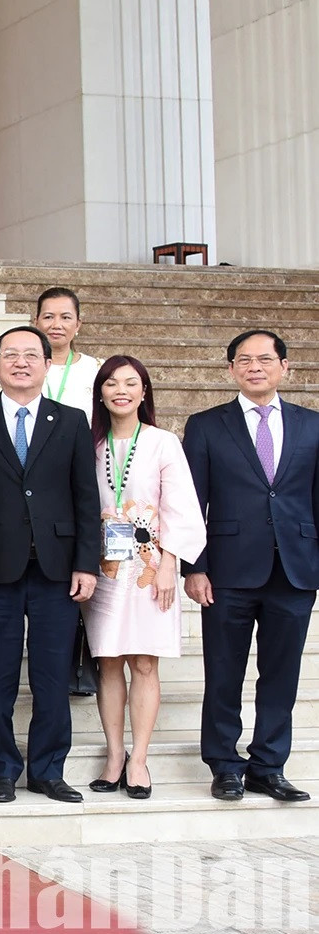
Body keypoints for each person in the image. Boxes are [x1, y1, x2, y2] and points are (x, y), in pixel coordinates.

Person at [0, 325, 101, 805]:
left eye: (31, 355)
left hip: (57, 570)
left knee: (52, 676)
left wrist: (86, 563)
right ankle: (1, 770)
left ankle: (47, 770)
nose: (21, 363)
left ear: (47, 363)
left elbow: (86, 498)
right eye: (11, 355)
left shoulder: (72, 421)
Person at [183, 329, 319, 804]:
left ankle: (268, 766)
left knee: (282, 675)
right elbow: (190, 503)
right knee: (223, 672)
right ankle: (224, 765)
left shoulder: (312, 425)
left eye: (265, 359)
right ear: (231, 369)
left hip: (294, 571)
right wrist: (194, 567)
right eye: (244, 360)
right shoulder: (206, 426)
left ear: (285, 367)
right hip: (226, 572)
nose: (255, 367)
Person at [84, 355, 204, 800]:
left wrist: (170, 564)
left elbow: (180, 507)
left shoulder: (162, 442)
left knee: (145, 663)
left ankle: (139, 759)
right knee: (108, 661)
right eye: (111, 383)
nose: (121, 390)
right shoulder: (89, 443)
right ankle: (114, 756)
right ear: (100, 392)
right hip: (104, 568)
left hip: (151, 569)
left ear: (144, 392)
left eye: (130, 382)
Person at [36, 287, 100, 413]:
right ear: (36, 322)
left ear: (77, 324)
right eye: (48, 317)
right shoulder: (24, 366)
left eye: (65, 318)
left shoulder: (95, 368)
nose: (56, 325)